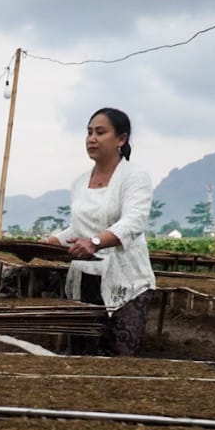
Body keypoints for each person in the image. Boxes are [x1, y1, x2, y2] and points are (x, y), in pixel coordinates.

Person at [43, 107, 156, 356]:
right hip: (85, 281)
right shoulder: (79, 182)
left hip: (124, 283)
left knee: (116, 358)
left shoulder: (135, 177)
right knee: (81, 356)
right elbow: (77, 229)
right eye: (89, 132)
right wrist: (48, 243)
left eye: (100, 132)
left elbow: (133, 222)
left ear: (121, 139)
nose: (92, 138)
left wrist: (94, 242)